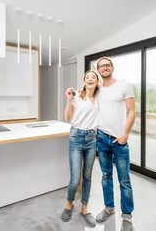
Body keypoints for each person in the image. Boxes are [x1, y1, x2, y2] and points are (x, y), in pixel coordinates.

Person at [95, 57, 136, 231]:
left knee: (124, 180)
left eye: (107, 65)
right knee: (106, 177)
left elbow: (132, 110)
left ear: (112, 67)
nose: (104, 68)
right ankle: (109, 208)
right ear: (98, 70)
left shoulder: (124, 86)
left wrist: (125, 134)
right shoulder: (96, 89)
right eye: (101, 66)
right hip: (102, 138)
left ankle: (127, 217)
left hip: (119, 140)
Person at [61, 70, 100, 227]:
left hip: (92, 139)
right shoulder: (77, 95)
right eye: (87, 77)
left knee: (88, 176)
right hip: (76, 138)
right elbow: (68, 118)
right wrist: (69, 100)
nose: (90, 79)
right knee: (75, 179)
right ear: (84, 81)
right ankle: (69, 205)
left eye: (93, 77)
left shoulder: (99, 98)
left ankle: (85, 209)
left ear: (97, 82)